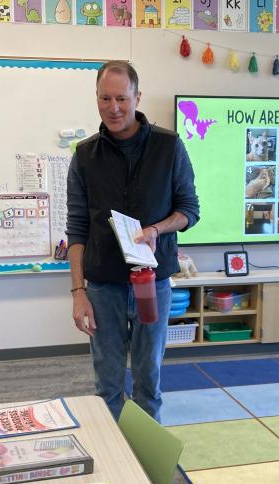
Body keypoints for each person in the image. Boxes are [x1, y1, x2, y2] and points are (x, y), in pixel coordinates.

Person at [66, 61, 199, 415]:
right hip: (103, 287)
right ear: (96, 98)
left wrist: (158, 229)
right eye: (105, 98)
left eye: (122, 98)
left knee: (148, 381)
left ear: (137, 97)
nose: (114, 107)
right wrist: (78, 293)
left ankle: (144, 466)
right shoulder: (84, 156)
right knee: (106, 385)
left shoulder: (169, 147)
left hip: (152, 284)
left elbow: (190, 210)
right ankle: (113, 461)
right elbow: (77, 228)